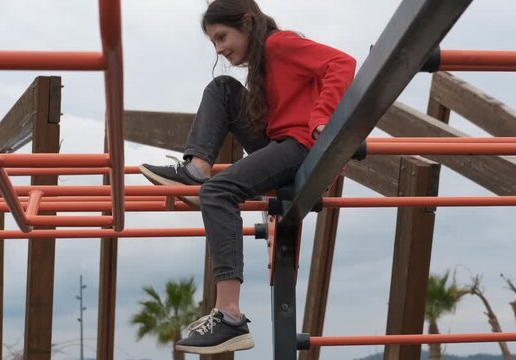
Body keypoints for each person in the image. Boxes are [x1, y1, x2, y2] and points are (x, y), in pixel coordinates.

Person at [140, 0, 356, 354]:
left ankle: (230, 315)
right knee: (223, 87)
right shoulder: (262, 65)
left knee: (217, 193)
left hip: (302, 149)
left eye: (222, 36)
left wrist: (321, 117)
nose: (220, 48)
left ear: (247, 22)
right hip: (281, 144)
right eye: (213, 43)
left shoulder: (278, 43)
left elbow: (341, 63)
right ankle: (195, 170)